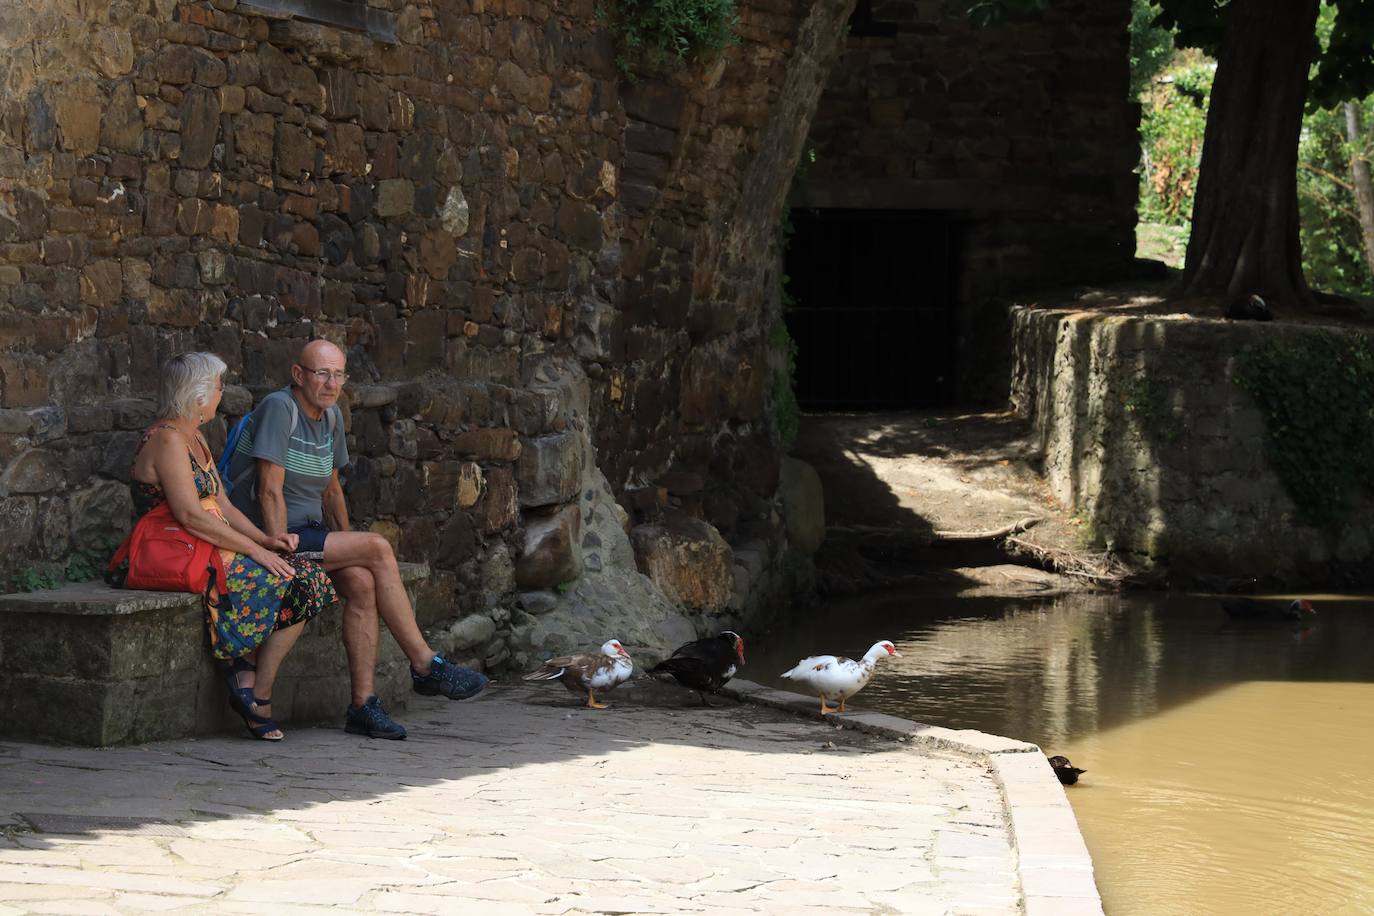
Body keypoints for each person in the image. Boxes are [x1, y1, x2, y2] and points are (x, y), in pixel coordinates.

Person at [227, 339, 487, 740]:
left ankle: (363, 706)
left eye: (338, 375)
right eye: (322, 373)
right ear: (299, 375)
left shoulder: (330, 418)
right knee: (379, 547)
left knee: (364, 581)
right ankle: (424, 664)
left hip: (312, 534)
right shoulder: (281, 409)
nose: (331, 384)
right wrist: (276, 547)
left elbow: (331, 492)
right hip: (273, 535)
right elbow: (268, 491)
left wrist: (348, 548)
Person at [122, 352, 337, 741]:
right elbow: (191, 516)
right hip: (182, 552)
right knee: (300, 581)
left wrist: (264, 538)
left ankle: (253, 686)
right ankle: (250, 684)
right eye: (219, 386)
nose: (223, 394)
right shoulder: (168, 438)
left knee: (308, 579)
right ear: (199, 394)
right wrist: (256, 551)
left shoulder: (193, 435)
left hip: (207, 546)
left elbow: (222, 504)